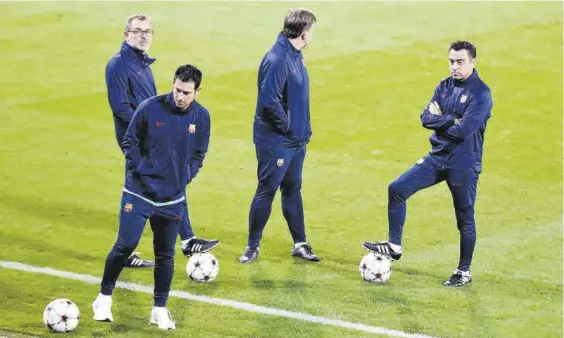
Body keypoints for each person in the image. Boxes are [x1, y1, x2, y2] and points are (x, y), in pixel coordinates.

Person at [92, 65, 220, 329]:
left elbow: (199, 153)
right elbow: (130, 142)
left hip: (171, 198)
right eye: (177, 90)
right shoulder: (150, 108)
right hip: (138, 193)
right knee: (125, 246)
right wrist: (142, 170)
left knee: (165, 256)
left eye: (186, 92)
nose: (180, 96)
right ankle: (103, 298)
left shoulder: (202, 118)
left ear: (197, 91)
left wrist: (186, 176)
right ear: (172, 83)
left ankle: (159, 309)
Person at [364, 41, 493, 287]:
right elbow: (425, 118)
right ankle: (394, 244)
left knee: (464, 217)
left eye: (460, 62)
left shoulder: (481, 94)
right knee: (397, 188)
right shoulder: (444, 86)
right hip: (437, 157)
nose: (454, 66)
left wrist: (441, 119)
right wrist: (451, 120)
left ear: (473, 62)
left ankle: (463, 271)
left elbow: (463, 131)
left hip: (463, 164)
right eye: (451, 61)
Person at [105, 14, 200, 267]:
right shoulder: (118, 65)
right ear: (126, 35)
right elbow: (120, 107)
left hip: (150, 135)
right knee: (139, 189)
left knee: (168, 179)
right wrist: (148, 126)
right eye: (138, 31)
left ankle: (187, 239)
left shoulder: (141, 63)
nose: (144, 35)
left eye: (148, 31)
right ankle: (183, 240)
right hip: (136, 138)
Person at [239, 8, 319, 264]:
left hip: (295, 140)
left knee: (293, 189)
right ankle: (252, 247)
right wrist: (288, 127)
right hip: (277, 141)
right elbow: (268, 101)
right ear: (304, 34)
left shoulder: (295, 55)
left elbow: (296, 97)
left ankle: (300, 243)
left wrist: (302, 129)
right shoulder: (277, 59)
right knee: (267, 189)